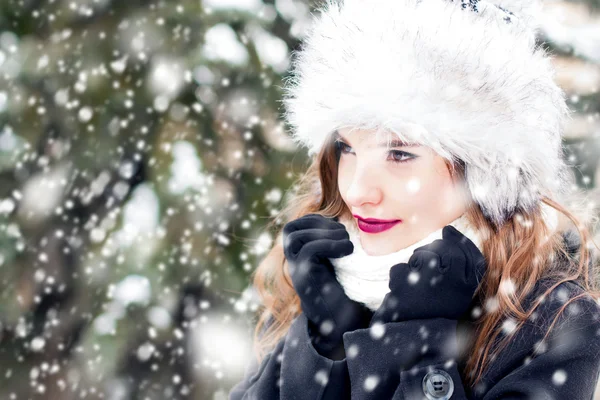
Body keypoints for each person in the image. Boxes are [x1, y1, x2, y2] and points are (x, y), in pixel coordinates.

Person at [229, 0, 600, 398]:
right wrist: (322, 341)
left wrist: (414, 342)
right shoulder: (325, 277)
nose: (356, 191)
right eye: (347, 148)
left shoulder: (551, 317)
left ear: (484, 170)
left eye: (400, 154)